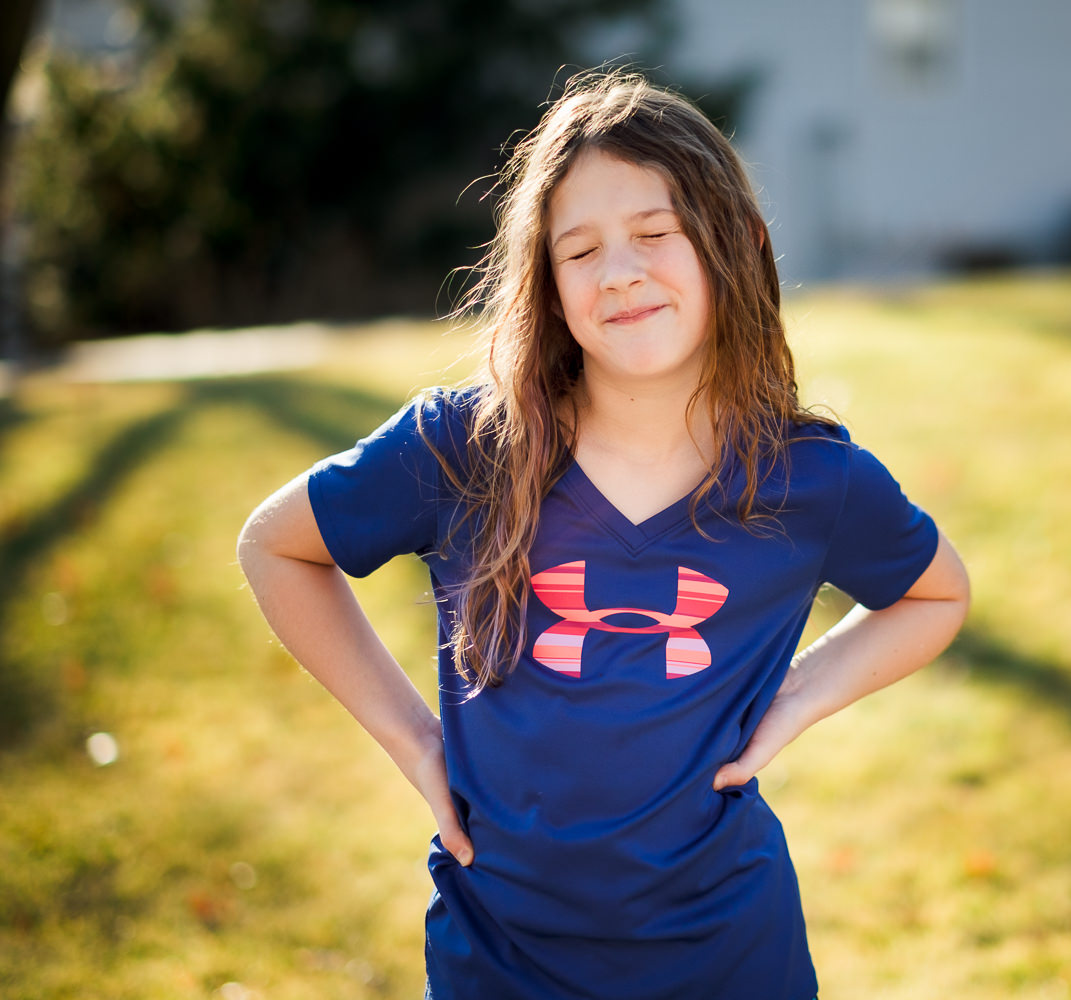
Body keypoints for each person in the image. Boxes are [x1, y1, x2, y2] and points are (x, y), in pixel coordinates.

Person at [237, 70, 969, 1000]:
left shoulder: (808, 477)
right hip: (498, 955)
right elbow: (277, 545)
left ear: (736, 244)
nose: (619, 271)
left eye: (654, 235)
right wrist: (416, 744)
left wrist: (792, 702)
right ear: (545, 282)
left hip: (729, 951)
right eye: (579, 251)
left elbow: (937, 592)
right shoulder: (466, 446)